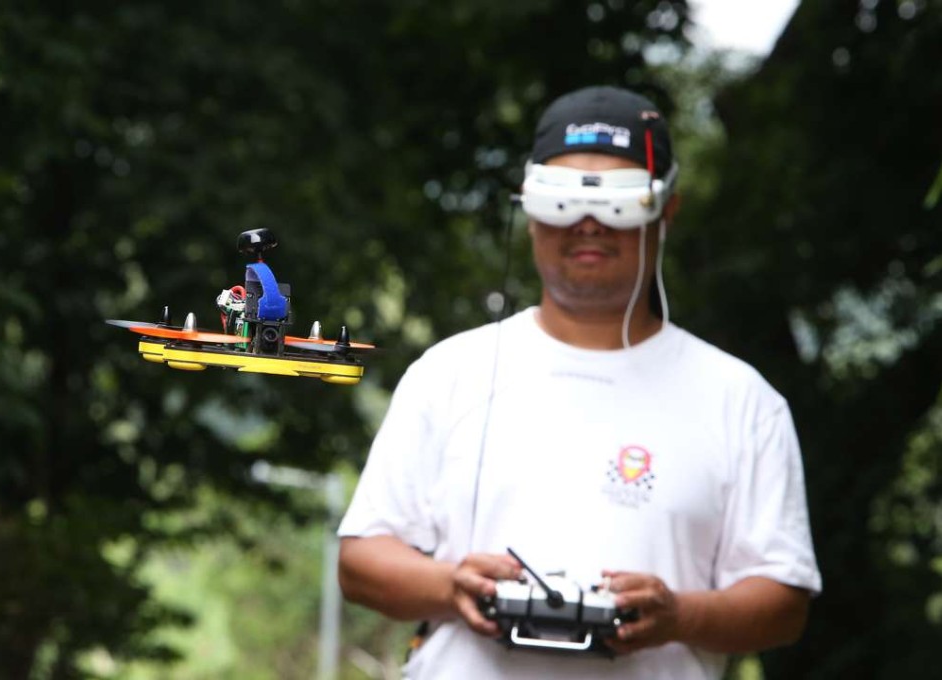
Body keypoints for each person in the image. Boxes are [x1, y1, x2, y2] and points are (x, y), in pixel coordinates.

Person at [337, 85, 821, 680]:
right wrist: (450, 585)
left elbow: (784, 603)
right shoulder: (449, 373)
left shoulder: (742, 400)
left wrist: (679, 615)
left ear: (666, 210)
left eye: (618, 202)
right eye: (562, 199)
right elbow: (361, 560)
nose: (588, 223)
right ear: (530, 206)